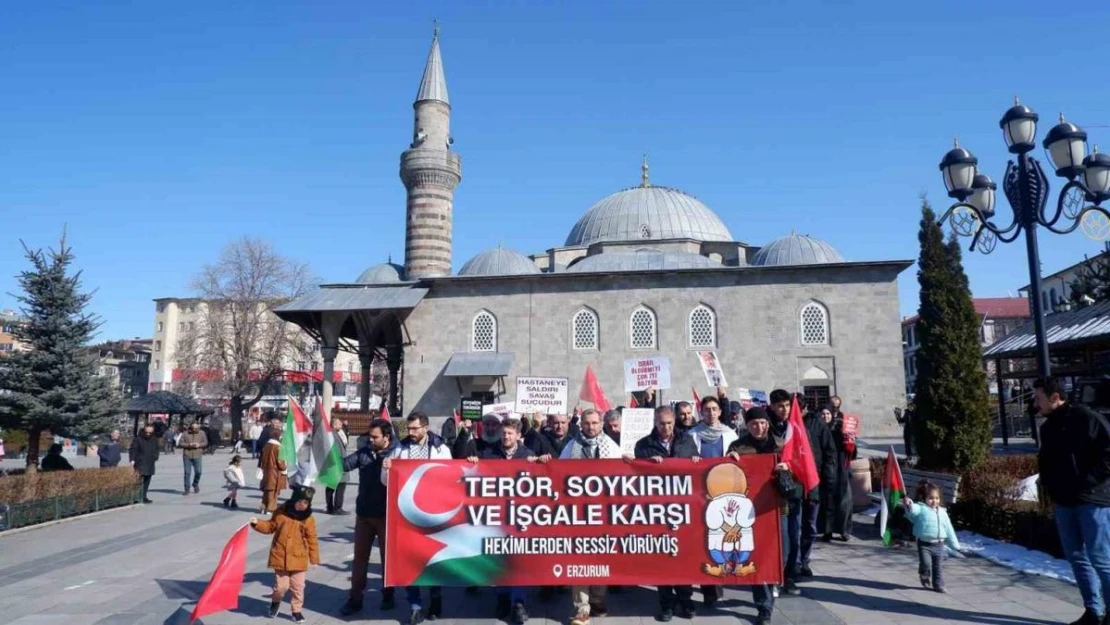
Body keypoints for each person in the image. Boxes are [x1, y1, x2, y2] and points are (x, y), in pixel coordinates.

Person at [1035, 376, 1110, 625]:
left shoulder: (1087, 418)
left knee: (1101, 558)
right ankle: (1093, 611)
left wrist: (1087, 481)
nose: (1036, 403)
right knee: (1076, 556)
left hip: (1092, 499)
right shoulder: (1047, 427)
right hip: (1064, 502)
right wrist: (1049, 485)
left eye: (1039, 398)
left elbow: (1108, 455)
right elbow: (1046, 461)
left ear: (1055, 397)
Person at [467, 417, 542, 623]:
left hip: (520, 516)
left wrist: (539, 464)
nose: (506, 437)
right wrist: (474, 463)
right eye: (504, 433)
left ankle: (518, 602)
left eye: (510, 433)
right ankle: (502, 597)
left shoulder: (528, 455)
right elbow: (476, 477)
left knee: (518, 559)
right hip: (497, 516)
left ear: (519, 435)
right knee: (500, 559)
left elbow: (541, 481)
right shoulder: (488, 455)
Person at [628, 405, 700, 621]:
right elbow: (636, 472)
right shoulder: (643, 445)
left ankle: (686, 600)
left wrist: (696, 462)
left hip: (682, 508)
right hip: (657, 510)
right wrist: (648, 464)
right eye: (662, 424)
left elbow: (696, 469)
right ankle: (667, 604)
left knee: (683, 558)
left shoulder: (687, 441)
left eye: (669, 423)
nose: (666, 427)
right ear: (655, 423)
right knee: (663, 559)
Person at [383, 412, 453, 624]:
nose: (411, 433)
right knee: (409, 560)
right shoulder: (400, 449)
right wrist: (386, 469)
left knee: (433, 559)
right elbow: (387, 482)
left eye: (415, 429)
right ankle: (415, 605)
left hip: (434, 513)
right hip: (407, 514)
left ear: (425, 427)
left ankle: (435, 598)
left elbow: (450, 477)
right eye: (409, 429)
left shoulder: (441, 448)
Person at [726, 406, 789, 625]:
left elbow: (799, 472)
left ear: (767, 423)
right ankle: (764, 607)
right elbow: (727, 474)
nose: (758, 427)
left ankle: (774, 582)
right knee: (760, 558)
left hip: (778, 508)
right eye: (753, 424)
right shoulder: (739, 446)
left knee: (783, 553)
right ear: (747, 425)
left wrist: (787, 467)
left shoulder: (781, 445)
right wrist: (729, 459)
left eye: (762, 423)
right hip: (749, 511)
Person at [559, 408, 621, 625]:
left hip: (603, 514)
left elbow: (622, 478)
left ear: (601, 423)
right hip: (577, 514)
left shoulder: (611, 448)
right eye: (587, 423)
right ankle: (581, 608)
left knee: (600, 558)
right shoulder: (571, 447)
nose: (591, 427)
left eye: (595, 423)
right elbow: (557, 474)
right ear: (581, 425)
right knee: (579, 559)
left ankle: (597, 599)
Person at [339, 418, 398, 616]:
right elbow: (344, 465)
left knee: (387, 559)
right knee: (359, 560)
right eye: (370, 436)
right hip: (364, 514)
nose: (371, 440)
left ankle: (388, 595)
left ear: (387, 437)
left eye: (375, 437)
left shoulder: (397, 453)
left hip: (386, 516)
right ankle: (355, 599)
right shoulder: (364, 452)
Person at [686, 394, 737, 608]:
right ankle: (707, 588)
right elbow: (683, 460)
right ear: (701, 412)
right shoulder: (692, 435)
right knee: (702, 541)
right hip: (699, 496)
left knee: (719, 541)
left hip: (723, 493)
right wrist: (691, 459)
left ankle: (716, 586)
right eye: (706, 409)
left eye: (714, 409)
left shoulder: (730, 434)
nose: (711, 413)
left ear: (720, 411)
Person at [250, 485, 321, 623]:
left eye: (306, 503)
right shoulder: (281, 513)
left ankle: (296, 611)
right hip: (280, 556)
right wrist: (257, 523)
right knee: (281, 587)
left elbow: (312, 538)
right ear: (293, 500)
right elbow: (270, 526)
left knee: (298, 587)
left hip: (298, 558)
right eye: (299, 501)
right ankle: (275, 602)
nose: (302, 505)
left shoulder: (308, 519)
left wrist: (314, 558)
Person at [791, 394, 836, 583]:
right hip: (793, 484)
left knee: (809, 524)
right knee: (795, 525)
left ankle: (805, 560)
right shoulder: (787, 426)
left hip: (813, 482)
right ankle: (793, 562)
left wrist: (828, 477)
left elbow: (829, 451)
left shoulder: (817, 424)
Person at [902, 482, 960, 593]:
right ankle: (924, 574)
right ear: (924, 499)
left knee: (938, 566)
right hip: (924, 544)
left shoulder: (943, 513)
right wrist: (909, 504)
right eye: (931, 498)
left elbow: (948, 528)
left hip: (939, 544)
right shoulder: (921, 509)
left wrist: (954, 545)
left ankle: (938, 585)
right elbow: (913, 510)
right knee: (926, 563)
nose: (934, 501)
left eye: (937, 498)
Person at [820, 406, 856, 542]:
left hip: (842, 467)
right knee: (827, 501)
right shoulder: (820, 429)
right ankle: (827, 531)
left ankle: (844, 530)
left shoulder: (840, 429)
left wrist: (850, 441)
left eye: (828, 413)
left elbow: (851, 452)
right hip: (827, 468)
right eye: (823, 414)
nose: (825, 416)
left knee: (845, 501)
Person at [324, 417, 351, 515]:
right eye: (339, 424)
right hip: (337, 464)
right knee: (340, 486)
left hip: (333, 464)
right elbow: (336, 451)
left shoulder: (335, 433)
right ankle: (337, 508)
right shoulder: (333, 435)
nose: (341, 425)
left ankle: (330, 507)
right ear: (334, 425)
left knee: (331, 486)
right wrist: (341, 465)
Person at [259, 422, 287, 514]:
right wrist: (284, 468)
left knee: (266, 490)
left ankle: (263, 506)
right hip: (275, 472)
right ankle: (270, 508)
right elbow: (280, 461)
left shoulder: (266, 445)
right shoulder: (278, 447)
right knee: (273, 491)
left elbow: (262, 458)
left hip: (266, 470)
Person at [129, 424, 160, 503]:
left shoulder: (154, 439)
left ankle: (144, 496)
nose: (148, 434)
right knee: (138, 481)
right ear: (144, 431)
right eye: (147, 432)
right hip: (140, 462)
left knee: (147, 481)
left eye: (150, 433)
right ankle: (136, 497)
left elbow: (156, 449)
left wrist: (155, 456)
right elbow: (133, 449)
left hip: (150, 462)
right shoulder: (138, 439)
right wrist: (132, 459)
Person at [179, 422, 208, 495]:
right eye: (194, 428)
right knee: (187, 473)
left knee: (198, 472)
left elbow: (205, 442)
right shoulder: (185, 433)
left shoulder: (202, 433)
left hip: (197, 454)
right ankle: (187, 489)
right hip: (187, 455)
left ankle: (195, 483)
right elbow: (180, 443)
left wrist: (199, 445)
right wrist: (189, 445)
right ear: (191, 427)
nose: (195, 429)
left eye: (197, 428)